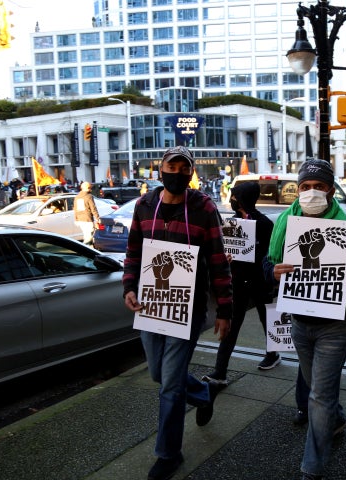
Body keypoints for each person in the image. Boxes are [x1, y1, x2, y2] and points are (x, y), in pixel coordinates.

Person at [263, 159, 346, 480]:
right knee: (319, 389)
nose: (312, 193)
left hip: (338, 324)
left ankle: (312, 468)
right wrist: (270, 272)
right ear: (298, 190)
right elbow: (266, 265)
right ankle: (337, 418)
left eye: (319, 187)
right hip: (300, 323)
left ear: (331, 190)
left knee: (318, 395)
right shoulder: (284, 226)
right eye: (305, 187)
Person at [122, 146, 233, 480]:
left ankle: (169, 454)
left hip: (188, 308)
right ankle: (202, 392)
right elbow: (133, 252)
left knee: (169, 386)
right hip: (151, 305)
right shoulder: (144, 205)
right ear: (160, 169)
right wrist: (128, 287)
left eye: (186, 168)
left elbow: (217, 259)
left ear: (191, 173)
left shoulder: (203, 207)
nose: (179, 172)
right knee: (158, 374)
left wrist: (224, 309)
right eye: (173, 165)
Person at [202, 180, 277, 385]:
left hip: (260, 281)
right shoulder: (233, 223)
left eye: (235, 196)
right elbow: (227, 249)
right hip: (238, 282)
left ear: (244, 198)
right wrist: (228, 257)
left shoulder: (264, 224)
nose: (232, 199)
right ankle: (220, 371)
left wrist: (253, 252)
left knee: (267, 319)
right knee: (231, 326)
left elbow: (272, 255)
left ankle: (273, 353)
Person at [73, 181, 100, 246]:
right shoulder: (89, 196)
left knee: (86, 235)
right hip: (87, 219)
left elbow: (75, 209)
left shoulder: (77, 197)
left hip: (80, 219)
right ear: (87, 188)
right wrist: (98, 218)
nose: (90, 189)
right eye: (90, 188)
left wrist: (76, 219)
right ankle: (86, 250)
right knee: (89, 238)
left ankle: (87, 249)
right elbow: (93, 208)